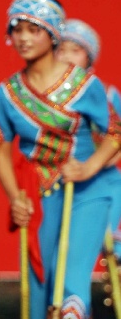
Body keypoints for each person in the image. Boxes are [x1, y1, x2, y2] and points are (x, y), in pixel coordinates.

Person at [0, 0, 121, 319]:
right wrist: (14, 196)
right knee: (42, 295)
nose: (23, 38)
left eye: (33, 30)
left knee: (69, 280)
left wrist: (90, 165)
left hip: (87, 193)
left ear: (51, 34)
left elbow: (114, 133)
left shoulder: (85, 85)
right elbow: (1, 150)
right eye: (16, 29)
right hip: (40, 201)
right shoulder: (7, 94)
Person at [56, 18, 121, 262]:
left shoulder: (106, 94)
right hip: (61, 181)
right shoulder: (46, 99)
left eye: (76, 50)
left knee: (106, 240)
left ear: (89, 57)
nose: (67, 57)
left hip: (103, 178)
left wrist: (94, 164)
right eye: (61, 50)